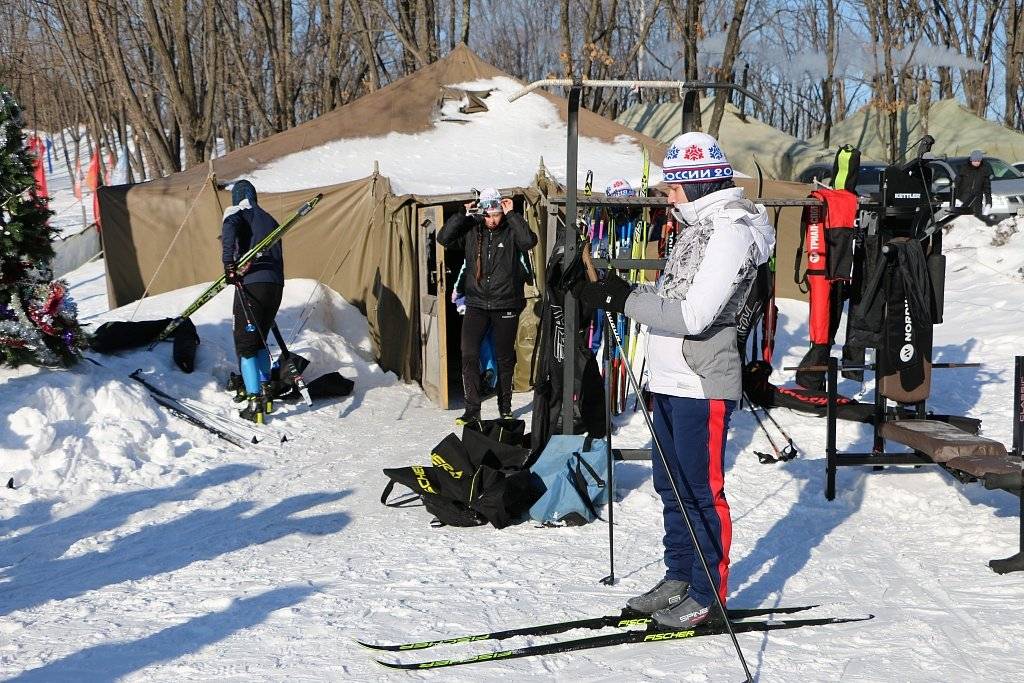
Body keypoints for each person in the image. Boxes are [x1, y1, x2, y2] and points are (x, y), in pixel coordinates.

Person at [580, 132, 775, 629]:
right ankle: (679, 576)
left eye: (674, 185)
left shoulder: (730, 233)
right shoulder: (695, 226)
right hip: (668, 379)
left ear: (698, 183)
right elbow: (669, 293)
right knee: (672, 488)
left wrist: (622, 298)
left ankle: (708, 593)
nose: (667, 194)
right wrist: (604, 287)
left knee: (700, 491)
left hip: (701, 382)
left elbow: (693, 315)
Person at [438, 187, 538, 425]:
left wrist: (513, 215)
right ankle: (473, 409)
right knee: (469, 354)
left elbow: (528, 241)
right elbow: (444, 239)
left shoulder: (511, 230)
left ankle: (505, 408)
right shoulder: (472, 230)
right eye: (489, 215)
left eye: (496, 214)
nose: (492, 220)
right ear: (482, 213)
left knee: (504, 358)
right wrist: (461, 215)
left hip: (506, 305)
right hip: (477, 304)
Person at [222, 180, 283, 424]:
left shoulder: (238, 211)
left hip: (252, 286)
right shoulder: (271, 220)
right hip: (276, 286)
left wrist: (228, 263)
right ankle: (267, 393)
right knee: (259, 341)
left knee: (245, 345)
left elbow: (228, 228)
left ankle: (254, 402)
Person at [955, 150, 992, 221]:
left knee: (976, 222)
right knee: (963, 221)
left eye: (978, 161)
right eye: (975, 160)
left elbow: (987, 188)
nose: (977, 162)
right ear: (971, 160)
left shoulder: (984, 171)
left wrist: (988, 203)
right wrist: (957, 199)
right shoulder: (964, 169)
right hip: (963, 200)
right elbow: (957, 185)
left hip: (977, 201)